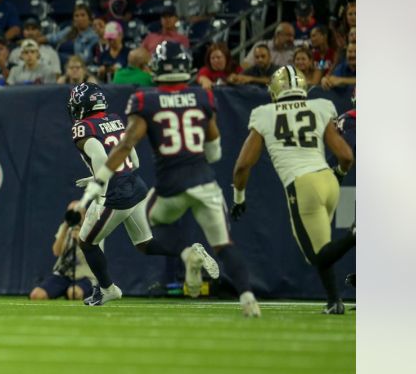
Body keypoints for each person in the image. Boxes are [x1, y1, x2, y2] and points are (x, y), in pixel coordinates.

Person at [81, 41, 261, 316]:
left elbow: (125, 148)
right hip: (202, 179)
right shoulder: (202, 96)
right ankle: (246, 298)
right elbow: (214, 151)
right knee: (217, 244)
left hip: (165, 184)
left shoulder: (144, 100)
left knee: (90, 240)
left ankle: (109, 287)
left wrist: (99, 180)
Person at [231, 66, 355, 313]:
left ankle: (356, 234)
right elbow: (345, 155)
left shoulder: (264, 113)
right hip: (328, 181)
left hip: (302, 185)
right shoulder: (320, 106)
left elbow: (243, 165)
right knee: (323, 245)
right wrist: (339, 175)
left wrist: (239, 197)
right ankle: (334, 302)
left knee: (317, 256)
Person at [65, 83, 200, 306]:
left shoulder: (83, 127)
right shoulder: (115, 120)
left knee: (87, 243)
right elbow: (133, 160)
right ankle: (187, 251)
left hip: (115, 195)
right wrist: (99, 177)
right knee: (145, 244)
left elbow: (99, 156)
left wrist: (100, 191)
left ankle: (108, 289)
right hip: (135, 185)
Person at [29, 200, 96, 300]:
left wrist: (79, 237)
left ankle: (86, 291)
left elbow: (93, 252)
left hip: (85, 276)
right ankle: (63, 290)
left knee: (74, 294)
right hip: (63, 274)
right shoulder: (64, 228)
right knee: (36, 295)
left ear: (84, 214)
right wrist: (65, 228)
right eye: (71, 212)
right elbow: (56, 252)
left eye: (77, 212)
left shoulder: (93, 229)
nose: (74, 215)